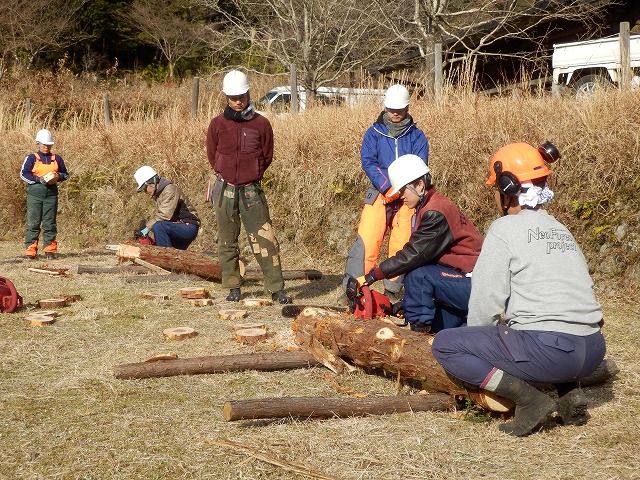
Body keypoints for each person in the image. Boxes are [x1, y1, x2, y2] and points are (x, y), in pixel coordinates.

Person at [431, 142, 607, 437]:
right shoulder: (560, 228)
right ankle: (567, 394)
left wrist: (477, 340)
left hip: (552, 350)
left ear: (506, 187)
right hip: (592, 350)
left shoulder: (504, 230)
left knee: (446, 344)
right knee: (533, 326)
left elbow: (486, 300)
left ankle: (530, 399)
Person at [357, 154, 483, 333]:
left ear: (420, 185)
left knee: (418, 275)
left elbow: (414, 255)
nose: (401, 196)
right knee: (444, 331)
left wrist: (373, 274)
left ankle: (418, 338)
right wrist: (407, 304)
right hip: (464, 281)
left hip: (473, 284)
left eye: (403, 190)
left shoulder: (435, 212)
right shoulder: (431, 204)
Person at [206, 70, 292, 304]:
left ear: (248, 93)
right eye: (233, 97)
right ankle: (233, 286)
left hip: (252, 189)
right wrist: (224, 171)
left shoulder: (261, 123)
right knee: (227, 240)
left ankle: (276, 288)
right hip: (224, 189)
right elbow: (212, 155)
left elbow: (267, 155)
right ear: (225, 96)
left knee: (265, 239)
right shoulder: (216, 124)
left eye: (241, 95)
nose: (237, 101)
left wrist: (252, 173)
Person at [342, 84, 429, 303]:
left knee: (402, 244)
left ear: (408, 107)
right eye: (391, 108)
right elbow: (368, 162)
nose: (395, 112)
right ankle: (353, 290)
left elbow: (420, 165)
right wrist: (386, 186)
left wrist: (404, 188)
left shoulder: (417, 136)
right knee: (367, 241)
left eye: (399, 108)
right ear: (385, 107)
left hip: (407, 195)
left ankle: (392, 292)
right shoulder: (373, 133)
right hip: (379, 192)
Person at [20, 129, 69, 260]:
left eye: (48, 145)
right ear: (38, 143)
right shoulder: (31, 158)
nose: (46, 147)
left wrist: (58, 176)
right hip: (34, 195)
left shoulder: (57, 158)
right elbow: (24, 174)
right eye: (43, 144)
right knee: (33, 223)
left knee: (50, 223)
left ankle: (50, 251)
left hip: (51, 195)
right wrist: (38, 179)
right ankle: (30, 252)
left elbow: (66, 174)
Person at [133, 166, 200, 250]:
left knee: (158, 226)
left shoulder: (170, 190)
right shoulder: (160, 194)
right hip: (176, 226)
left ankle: (164, 258)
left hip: (188, 227)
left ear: (152, 183)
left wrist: (147, 228)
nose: (145, 192)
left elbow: (164, 215)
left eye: (145, 189)